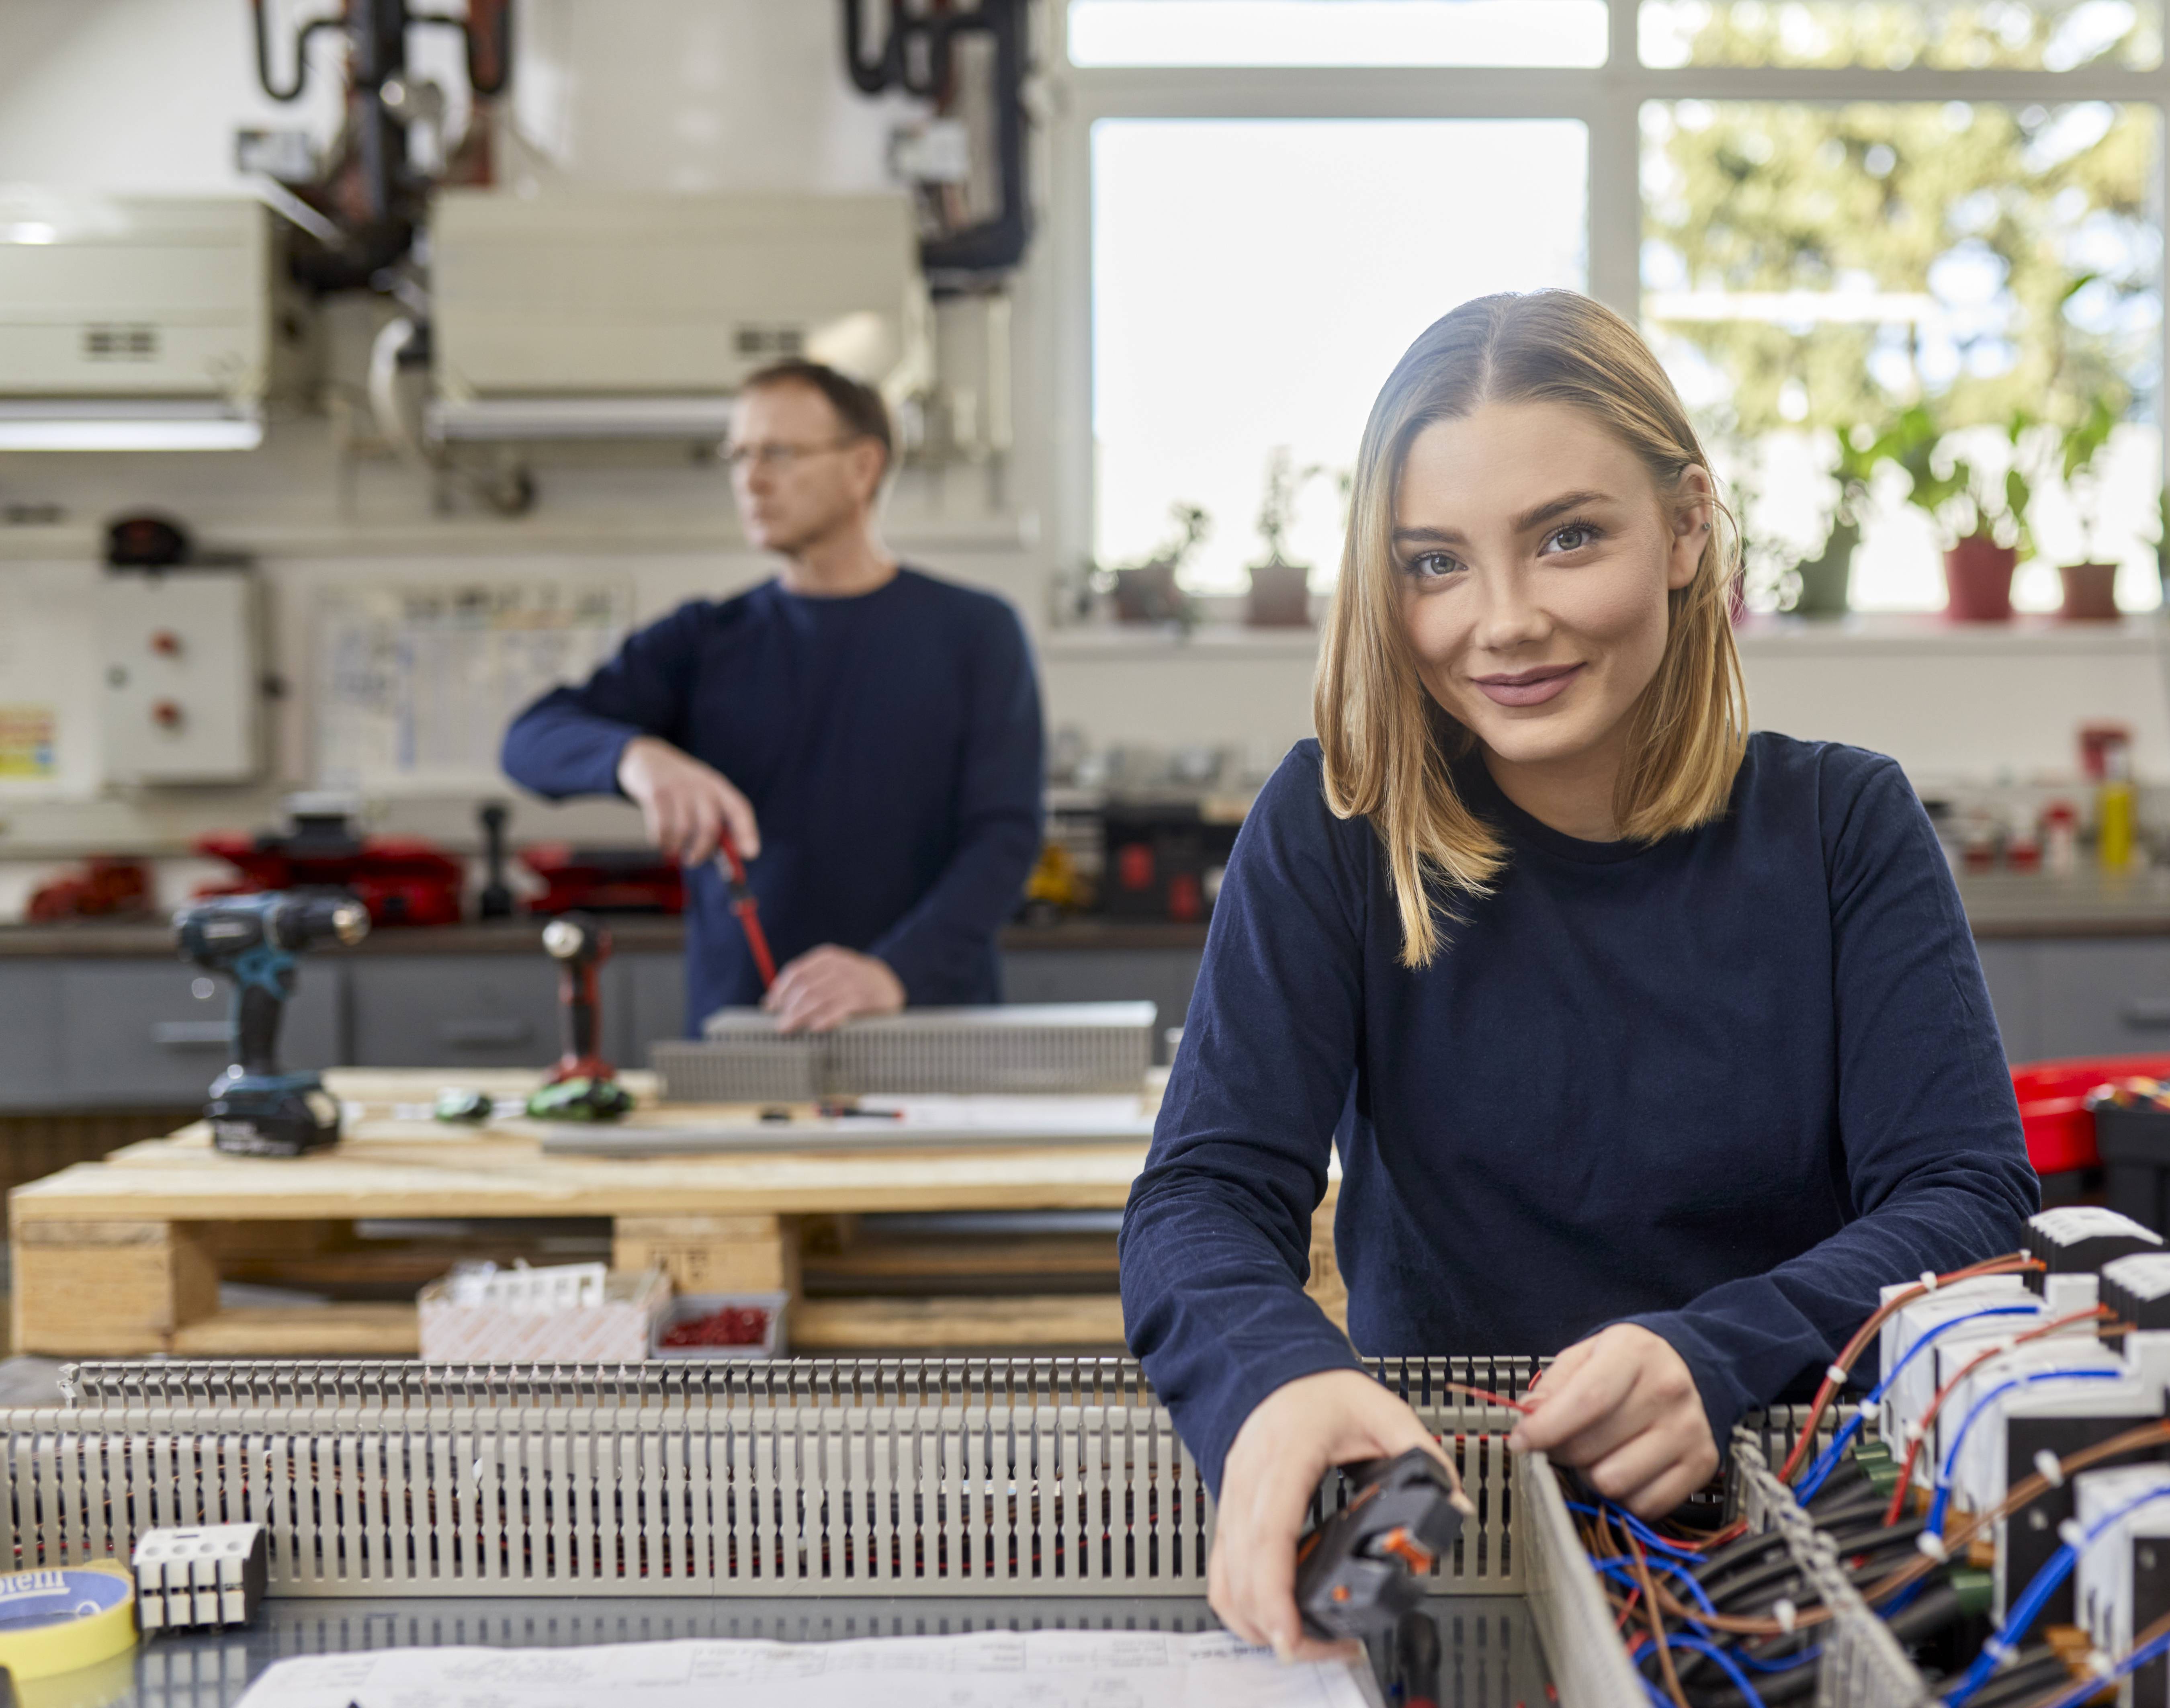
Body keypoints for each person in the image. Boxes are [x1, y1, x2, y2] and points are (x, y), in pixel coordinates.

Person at [1118, 291, 2036, 1659]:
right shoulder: (1335, 822)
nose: (1501, 623)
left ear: (1684, 529)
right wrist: (1273, 1381)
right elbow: (1202, 1195)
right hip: (1449, 1543)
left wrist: (1715, 1354)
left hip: (1806, 1537)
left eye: (1566, 539)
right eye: (1433, 563)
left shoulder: (1843, 826)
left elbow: (1967, 1203)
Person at [502, 361, 1044, 1035]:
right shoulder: (705, 638)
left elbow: (1006, 839)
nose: (750, 480)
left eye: (779, 453)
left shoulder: (976, 631)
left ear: (862, 467)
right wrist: (637, 758)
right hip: (749, 1027)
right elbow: (529, 739)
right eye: (739, 455)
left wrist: (891, 971)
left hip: (926, 1024)